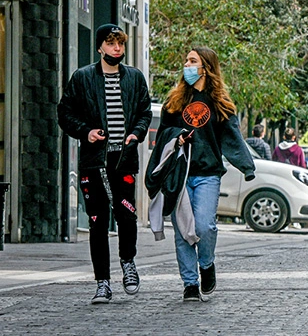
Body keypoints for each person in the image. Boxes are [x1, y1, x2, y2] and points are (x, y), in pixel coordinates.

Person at [146, 47, 256, 302]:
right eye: (186, 60)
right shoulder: (174, 102)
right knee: (183, 229)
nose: (187, 65)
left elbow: (232, 137)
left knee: (204, 226)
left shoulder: (219, 103)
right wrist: (177, 137)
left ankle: (206, 264)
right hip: (179, 175)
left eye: (193, 61)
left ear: (206, 68)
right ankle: (190, 284)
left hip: (208, 173)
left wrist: (247, 167)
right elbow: (162, 136)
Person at [57, 24, 152, 304]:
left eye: (120, 44)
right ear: (100, 47)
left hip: (123, 159)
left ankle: (128, 263)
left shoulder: (134, 78)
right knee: (97, 221)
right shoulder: (83, 78)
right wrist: (86, 132)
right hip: (94, 160)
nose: (117, 49)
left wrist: (136, 133)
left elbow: (144, 112)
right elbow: (65, 113)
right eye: (111, 44)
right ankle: (102, 282)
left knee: (126, 214)